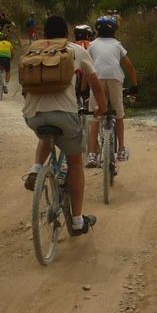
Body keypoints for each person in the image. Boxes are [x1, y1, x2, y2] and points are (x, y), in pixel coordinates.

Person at [22, 15, 107, 237]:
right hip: (64, 115)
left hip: (33, 116)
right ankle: (78, 221)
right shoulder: (75, 50)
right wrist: (102, 107)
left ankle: (36, 170)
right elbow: (95, 84)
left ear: (44, 34)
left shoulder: (33, 50)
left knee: (45, 133)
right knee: (75, 162)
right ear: (67, 34)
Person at [85, 16, 138, 167]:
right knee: (118, 114)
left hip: (97, 77)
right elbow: (129, 66)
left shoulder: (92, 45)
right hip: (114, 78)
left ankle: (92, 155)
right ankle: (121, 149)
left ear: (97, 30)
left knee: (95, 117)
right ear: (114, 30)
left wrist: (83, 89)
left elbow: (86, 68)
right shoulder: (117, 44)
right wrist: (135, 86)